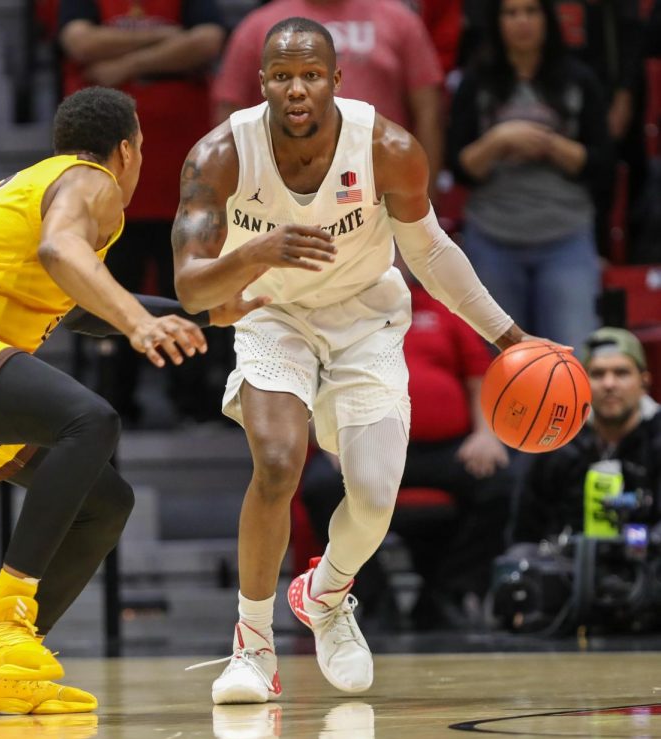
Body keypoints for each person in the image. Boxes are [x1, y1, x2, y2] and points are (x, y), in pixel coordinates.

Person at [173, 17, 540, 704]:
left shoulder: (388, 148)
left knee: (373, 497)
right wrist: (258, 253)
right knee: (278, 464)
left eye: (311, 74)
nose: (297, 89)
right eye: (282, 76)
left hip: (365, 319)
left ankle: (328, 593)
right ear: (262, 84)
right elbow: (191, 285)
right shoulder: (220, 155)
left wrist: (508, 338)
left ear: (337, 80)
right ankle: (253, 647)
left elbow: (430, 254)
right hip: (271, 314)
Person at [0, 86, 261, 716]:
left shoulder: (45, 186)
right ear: (127, 150)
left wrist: (210, 312)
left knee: (105, 503)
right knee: (90, 419)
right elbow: (61, 254)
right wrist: (138, 322)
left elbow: (77, 308)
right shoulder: (92, 180)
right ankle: (2, 622)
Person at [300, 259, 514, 630]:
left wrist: (486, 434)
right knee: (320, 485)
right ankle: (372, 598)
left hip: (444, 449)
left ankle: (447, 593)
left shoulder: (444, 311)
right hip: (366, 446)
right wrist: (329, 439)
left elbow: (479, 376)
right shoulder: (337, 314)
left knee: (498, 482)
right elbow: (310, 382)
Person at [59, 0, 227, 427]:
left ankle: (193, 403)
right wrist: (168, 39)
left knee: (188, 294)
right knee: (110, 296)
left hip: (182, 176)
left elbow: (208, 40)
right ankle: (115, 405)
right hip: (108, 184)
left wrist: (126, 62)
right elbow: (79, 40)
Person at [447, 0, 614, 349]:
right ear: (497, 21)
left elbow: (603, 165)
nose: (521, 21)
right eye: (510, 12)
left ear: (547, 19)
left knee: (573, 355)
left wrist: (550, 145)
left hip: (565, 237)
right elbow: (459, 168)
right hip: (493, 237)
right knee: (500, 360)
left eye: (531, 11)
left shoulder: (579, 79)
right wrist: (498, 141)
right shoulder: (476, 81)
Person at [213, 0, 446, 197]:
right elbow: (230, 116)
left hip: (381, 194)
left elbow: (429, 113)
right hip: (283, 197)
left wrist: (424, 200)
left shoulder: (400, 20)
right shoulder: (258, 26)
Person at [512, 327, 660, 543]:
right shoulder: (556, 441)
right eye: (597, 374)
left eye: (621, 373)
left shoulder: (657, 437)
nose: (609, 384)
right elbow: (524, 532)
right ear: (580, 383)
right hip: (569, 567)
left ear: (644, 382)